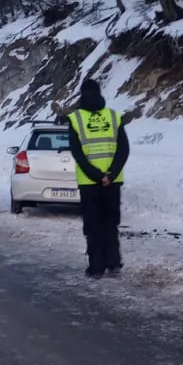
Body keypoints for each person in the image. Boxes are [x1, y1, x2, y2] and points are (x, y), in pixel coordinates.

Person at [67, 80, 130, 278]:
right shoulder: (113, 116)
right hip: (113, 180)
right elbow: (124, 149)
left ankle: (96, 268)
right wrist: (110, 174)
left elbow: (77, 153)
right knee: (110, 222)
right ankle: (114, 263)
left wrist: (96, 175)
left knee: (93, 224)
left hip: (88, 182)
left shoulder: (75, 118)